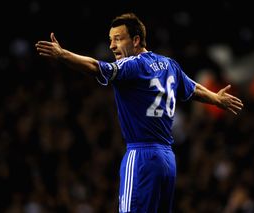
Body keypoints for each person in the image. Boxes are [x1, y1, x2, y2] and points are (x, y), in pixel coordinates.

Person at [35, 12, 243, 213]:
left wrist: (63, 55)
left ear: (136, 40)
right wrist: (215, 98)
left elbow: (95, 67)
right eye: (110, 39)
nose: (112, 45)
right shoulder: (169, 65)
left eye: (118, 39)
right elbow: (192, 88)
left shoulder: (132, 64)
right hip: (167, 159)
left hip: (141, 156)